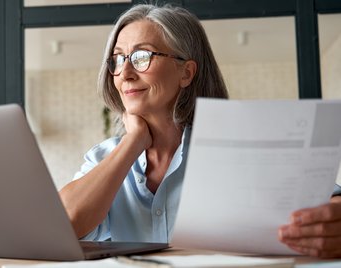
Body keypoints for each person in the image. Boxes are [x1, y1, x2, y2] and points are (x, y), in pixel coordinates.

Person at [59, 3, 341, 258]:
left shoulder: (237, 145)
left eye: (142, 56)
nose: (126, 73)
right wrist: (133, 141)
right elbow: (63, 226)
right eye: (118, 59)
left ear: (186, 72)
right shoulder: (103, 158)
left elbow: (327, 199)